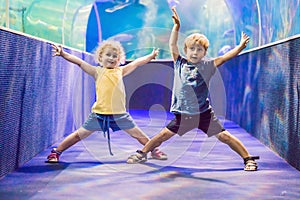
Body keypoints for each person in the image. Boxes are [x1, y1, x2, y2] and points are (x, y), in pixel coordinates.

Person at [127, 7, 259, 171]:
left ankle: (248, 158)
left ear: (204, 53)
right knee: (162, 136)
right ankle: (143, 153)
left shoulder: (208, 66)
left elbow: (225, 57)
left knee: (224, 136)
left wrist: (239, 47)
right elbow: (172, 44)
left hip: (203, 114)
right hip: (183, 115)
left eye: (199, 49)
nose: (195, 52)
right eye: (192, 49)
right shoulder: (180, 63)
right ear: (186, 50)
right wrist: (176, 28)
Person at [46, 40, 167, 163]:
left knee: (138, 135)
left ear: (119, 59)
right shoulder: (96, 71)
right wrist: (63, 54)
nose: (111, 58)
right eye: (108, 55)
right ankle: (56, 152)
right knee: (78, 135)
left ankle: (153, 150)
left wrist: (150, 56)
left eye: (115, 56)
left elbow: (136, 63)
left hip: (119, 115)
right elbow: (79, 62)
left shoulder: (120, 71)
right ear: (100, 57)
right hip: (99, 115)